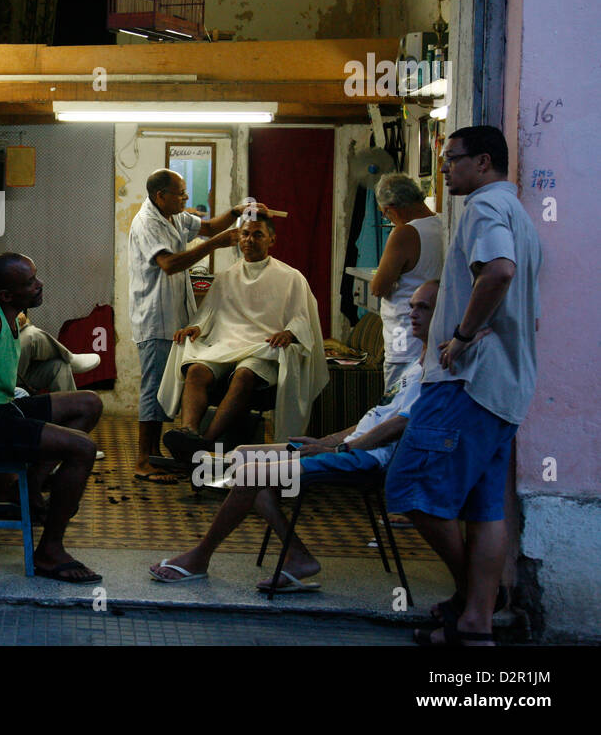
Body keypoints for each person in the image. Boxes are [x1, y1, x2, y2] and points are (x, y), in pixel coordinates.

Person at [150, 279, 439, 591]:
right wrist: (325, 441)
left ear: (445, 313)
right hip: (350, 448)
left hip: (365, 460)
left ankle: (199, 557)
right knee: (242, 455)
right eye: (412, 306)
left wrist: (338, 451)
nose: (413, 314)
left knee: (248, 476)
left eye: (424, 307)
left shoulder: (435, 372)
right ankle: (297, 554)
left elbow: (398, 426)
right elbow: (373, 419)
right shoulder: (414, 365)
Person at [386, 126, 542, 647]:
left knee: (409, 485)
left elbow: (497, 272)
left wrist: (460, 336)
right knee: (483, 508)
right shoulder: (518, 213)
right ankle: (474, 620)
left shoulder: (482, 208)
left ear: (482, 162)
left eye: (451, 160)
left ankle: (480, 596)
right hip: (505, 386)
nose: (444, 169)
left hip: (469, 382)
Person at [0, 253, 104, 584]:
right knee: (82, 449)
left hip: (1, 407)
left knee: (88, 404)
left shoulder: (9, 318)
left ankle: (30, 487)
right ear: (6, 294)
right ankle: (49, 551)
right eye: (30, 282)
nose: (39, 285)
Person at [128, 169, 269, 483]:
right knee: (153, 390)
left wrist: (236, 212)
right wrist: (216, 245)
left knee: (166, 390)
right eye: (180, 193)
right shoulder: (147, 223)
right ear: (160, 196)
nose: (186, 198)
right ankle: (142, 460)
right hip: (155, 317)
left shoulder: (174, 215)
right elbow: (169, 264)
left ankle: (156, 455)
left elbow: (207, 226)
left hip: (175, 318)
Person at [158, 216, 329, 462]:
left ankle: (205, 442)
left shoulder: (291, 277)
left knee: (244, 375)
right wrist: (195, 327)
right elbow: (209, 314)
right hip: (226, 343)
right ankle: (189, 432)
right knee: (196, 370)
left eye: (257, 234)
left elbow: (303, 319)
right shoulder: (227, 276)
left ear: (272, 239)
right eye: (245, 234)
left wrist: (289, 332)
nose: (249, 240)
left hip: (262, 347)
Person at [0, 262, 100, 391]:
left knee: (58, 367)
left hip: (2, 368)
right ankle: (70, 357)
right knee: (31, 335)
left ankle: (64, 422)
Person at [370, 173, 445, 388]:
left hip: (404, 336)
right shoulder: (442, 225)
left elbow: (378, 287)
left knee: (396, 406)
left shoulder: (405, 233)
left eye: (386, 215)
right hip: (430, 336)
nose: (389, 219)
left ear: (391, 208)